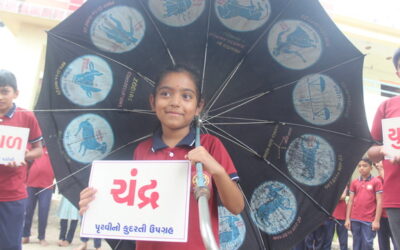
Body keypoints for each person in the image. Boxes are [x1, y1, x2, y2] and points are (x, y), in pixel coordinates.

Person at [79, 64, 245, 249]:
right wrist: (96, 203)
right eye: (166, 93)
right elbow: (131, 204)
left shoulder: (210, 145)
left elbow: (236, 207)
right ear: (153, 101)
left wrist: (217, 170)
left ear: (199, 106)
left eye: (186, 96)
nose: (175, 102)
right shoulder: (142, 150)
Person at [0, 69, 43, 250]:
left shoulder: (26, 117)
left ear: (16, 93)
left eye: (4, 91)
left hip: (12, 194)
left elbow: (38, 150)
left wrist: (21, 155)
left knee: (9, 245)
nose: (0, 97)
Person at [367, 48, 400, 249]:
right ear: (398, 72)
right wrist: (383, 151)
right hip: (396, 196)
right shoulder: (387, 106)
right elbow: (371, 150)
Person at [344, 158, 382, 250]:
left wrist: (376, 221)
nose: (361, 168)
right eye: (359, 166)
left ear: (371, 168)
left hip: (369, 220)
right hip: (355, 219)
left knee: (367, 244)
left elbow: (380, 201)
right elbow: (351, 201)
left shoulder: (376, 182)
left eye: (365, 166)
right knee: (356, 243)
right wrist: (347, 219)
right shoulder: (354, 182)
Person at [22, 144, 55, 246]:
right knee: (27, 211)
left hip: (46, 186)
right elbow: (26, 162)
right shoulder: (34, 147)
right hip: (31, 184)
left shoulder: (53, 150)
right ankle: (25, 235)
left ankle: (42, 237)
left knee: (43, 212)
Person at [375, 161, 398, 250]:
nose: (377, 164)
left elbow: (389, 183)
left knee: (396, 241)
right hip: (381, 216)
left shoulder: (394, 177)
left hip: (394, 214)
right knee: (383, 242)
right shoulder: (376, 180)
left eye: (379, 162)